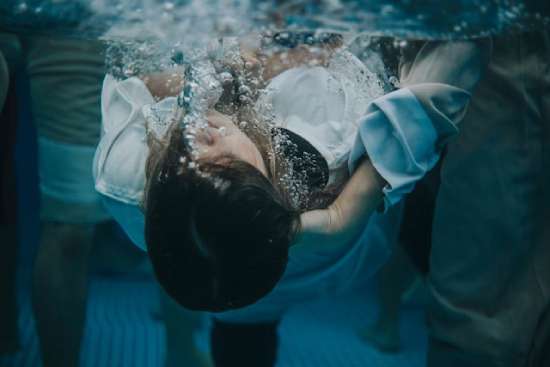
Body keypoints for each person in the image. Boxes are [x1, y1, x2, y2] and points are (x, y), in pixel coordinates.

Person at [94, 33, 457, 365]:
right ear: (264, 183)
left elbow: (136, 76)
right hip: (349, 254)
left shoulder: (123, 179)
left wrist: (226, 63)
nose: (197, 141)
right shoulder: (321, 146)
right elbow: (450, 61)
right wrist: (274, 62)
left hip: (283, 276)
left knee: (242, 329)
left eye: (177, 166)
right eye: (225, 166)